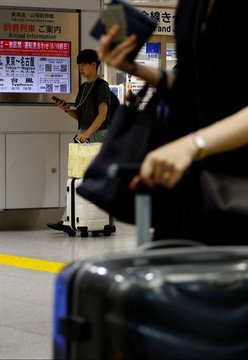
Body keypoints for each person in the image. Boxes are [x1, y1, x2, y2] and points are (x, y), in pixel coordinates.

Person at [96, 0, 248, 244]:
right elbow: (196, 85)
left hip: (237, 187)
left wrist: (193, 144)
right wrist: (136, 68)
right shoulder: (191, 5)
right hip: (192, 188)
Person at [47, 49, 112, 232]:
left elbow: (102, 114)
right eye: (78, 66)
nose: (80, 69)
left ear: (94, 65)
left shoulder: (102, 86)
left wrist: (88, 133)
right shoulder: (83, 88)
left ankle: (103, 221)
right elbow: (81, 116)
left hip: (98, 135)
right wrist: (65, 109)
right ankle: (70, 218)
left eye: (83, 65)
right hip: (85, 133)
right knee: (76, 178)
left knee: (95, 178)